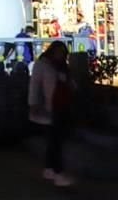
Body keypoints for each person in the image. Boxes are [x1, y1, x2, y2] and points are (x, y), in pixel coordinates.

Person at [28, 40, 74, 187]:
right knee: (55, 142)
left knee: (55, 140)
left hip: (63, 106)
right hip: (49, 107)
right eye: (58, 52)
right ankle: (58, 173)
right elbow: (35, 85)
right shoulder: (43, 65)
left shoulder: (62, 67)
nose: (60, 55)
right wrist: (33, 103)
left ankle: (49, 169)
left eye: (63, 52)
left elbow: (70, 83)